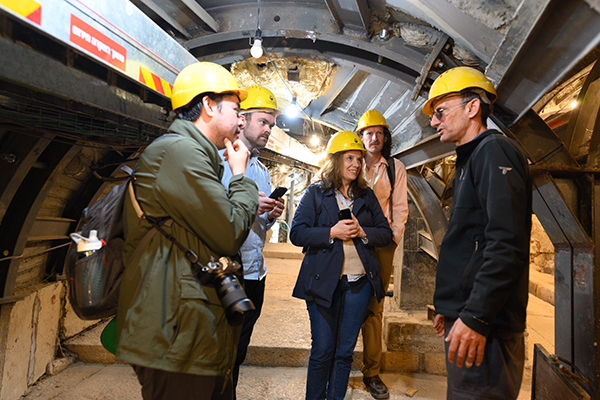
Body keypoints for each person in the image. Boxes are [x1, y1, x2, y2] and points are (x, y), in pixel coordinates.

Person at [115, 62, 260, 400]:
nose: (242, 120)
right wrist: (241, 178)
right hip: (174, 333)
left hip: (188, 328)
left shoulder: (192, 155)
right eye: (236, 110)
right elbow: (229, 231)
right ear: (209, 105)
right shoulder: (178, 152)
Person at [426, 66, 531, 399]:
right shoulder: (471, 158)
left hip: (489, 329)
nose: (433, 121)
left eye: (441, 111)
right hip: (474, 319)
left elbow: (506, 244)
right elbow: (475, 241)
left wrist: (475, 317)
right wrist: (453, 306)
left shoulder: (493, 152)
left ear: (472, 108)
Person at [290, 130, 393, 400]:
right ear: (336, 160)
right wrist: (331, 232)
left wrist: (362, 232)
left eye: (359, 159)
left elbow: (385, 233)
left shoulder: (366, 195)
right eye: (349, 158)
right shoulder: (316, 193)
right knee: (323, 349)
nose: (356, 164)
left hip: (358, 286)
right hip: (323, 282)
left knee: (344, 351)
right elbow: (297, 232)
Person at [219, 86, 285, 397]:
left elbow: (260, 223)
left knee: (240, 348)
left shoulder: (260, 169)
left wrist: (271, 214)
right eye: (263, 121)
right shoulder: (221, 164)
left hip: (255, 271)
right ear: (242, 121)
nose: (269, 129)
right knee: (222, 348)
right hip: (228, 270)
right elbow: (215, 216)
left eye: (272, 124)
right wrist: (246, 204)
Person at [356, 110, 408, 399]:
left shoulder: (394, 168)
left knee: (375, 309)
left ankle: (372, 372)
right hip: (350, 243)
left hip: (381, 244)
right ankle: (335, 364)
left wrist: (393, 238)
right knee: (344, 300)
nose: (375, 138)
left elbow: (400, 206)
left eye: (380, 133)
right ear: (360, 136)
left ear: (385, 138)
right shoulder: (351, 162)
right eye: (369, 133)